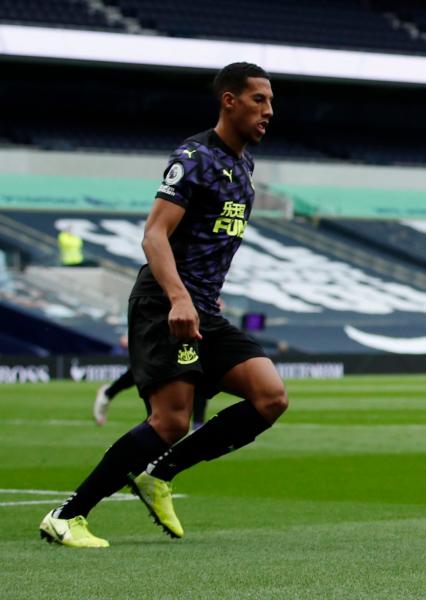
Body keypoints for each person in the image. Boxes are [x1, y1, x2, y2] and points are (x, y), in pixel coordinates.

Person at [40, 62, 287, 548]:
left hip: (203, 307)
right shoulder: (193, 157)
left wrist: (204, 295)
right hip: (164, 302)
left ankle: (160, 475)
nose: (269, 111)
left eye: (271, 102)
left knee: (270, 396)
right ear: (229, 101)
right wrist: (179, 297)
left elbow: (210, 240)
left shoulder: (244, 166)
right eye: (259, 100)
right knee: (170, 420)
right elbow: (154, 235)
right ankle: (66, 516)